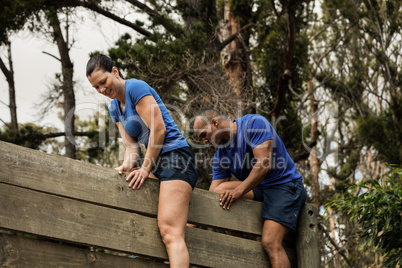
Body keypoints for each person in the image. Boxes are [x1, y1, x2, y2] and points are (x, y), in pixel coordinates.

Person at [86, 54, 197, 267]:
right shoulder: (114, 108)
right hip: (156, 163)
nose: (102, 90)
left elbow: (159, 129)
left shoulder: (135, 87)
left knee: (169, 231)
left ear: (115, 72)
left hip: (176, 158)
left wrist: (145, 169)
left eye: (103, 82)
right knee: (143, 225)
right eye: (96, 88)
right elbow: (131, 147)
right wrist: (127, 166)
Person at [193, 110, 306, 268]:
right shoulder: (220, 156)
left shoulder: (253, 124)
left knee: (270, 242)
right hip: (260, 189)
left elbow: (264, 164)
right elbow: (212, 193)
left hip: (284, 185)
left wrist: (238, 191)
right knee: (220, 191)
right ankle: (244, 247)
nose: (204, 141)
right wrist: (191, 223)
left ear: (215, 123)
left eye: (204, 134)